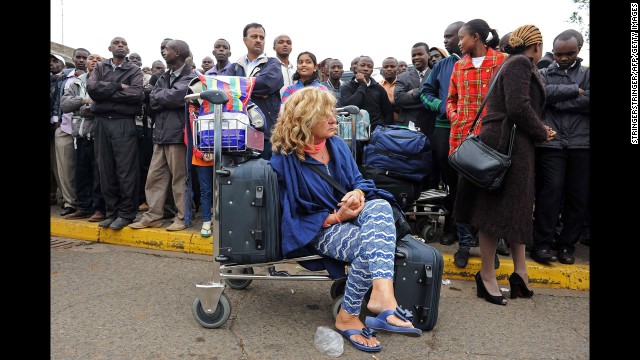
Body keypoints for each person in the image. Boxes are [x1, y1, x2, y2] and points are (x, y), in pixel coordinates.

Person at [269, 87, 421, 353]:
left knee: (380, 205)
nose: (333, 119)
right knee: (367, 247)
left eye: (332, 112)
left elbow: (360, 180)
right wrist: (337, 216)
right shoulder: (285, 158)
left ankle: (381, 294)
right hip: (320, 229)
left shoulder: (336, 145)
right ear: (304, 119)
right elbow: (291, 212)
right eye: (324, 114)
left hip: (353, 220)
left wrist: (357, 193)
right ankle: (352, 313)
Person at [453, 24, 556, 305]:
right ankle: (487, 276)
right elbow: (518, 107)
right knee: (494, 212)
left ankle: (520, 275)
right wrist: (541, 130)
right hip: (504, 144)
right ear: (537, 45)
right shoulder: (520, 63)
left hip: (513, 144)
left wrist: (537, 131)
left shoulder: (515, 63)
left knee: (517, 210)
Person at [446, 19, 507, 269]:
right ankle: (463, 245)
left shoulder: (502, 61)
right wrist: (456, 115)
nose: (459, 42)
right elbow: (450, 98)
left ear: (478, 37)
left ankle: (489, 251)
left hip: (493, 140)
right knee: (463, 195)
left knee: (491, 196)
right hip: (463, 140)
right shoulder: (459, 66)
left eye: (463, 37)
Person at [532, 29, 590, 265]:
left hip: (581, 143)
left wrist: (558, 104)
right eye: (558, 54)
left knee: (577, 196)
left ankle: (567, 245)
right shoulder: (542, 73)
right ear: (552, 52)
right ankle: (542, 243)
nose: (564, 58)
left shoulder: (587, 74)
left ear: (579, 50)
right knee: (550, 193)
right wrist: (573, 92)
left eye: (570, 53)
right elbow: (541, 95)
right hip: (552, 144)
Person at [87, 36, 144, 230]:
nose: (121, 46)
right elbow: (92, 89)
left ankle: (126, 214)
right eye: (117, 43)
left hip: (123, 123)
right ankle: (111, 213)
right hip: (101, 123)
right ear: (109, 48)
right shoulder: (100, 67)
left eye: (124, 44)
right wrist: (118, 87)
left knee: (126, 171)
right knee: (105, 169)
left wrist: (105, 97)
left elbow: (137, 94)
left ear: (128, 49)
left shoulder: (134, 70)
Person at [420, 21, 464, 247]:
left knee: (471, 181)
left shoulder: (483, 64)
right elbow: (425, 93)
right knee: (450, 182)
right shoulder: (442, 66)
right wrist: (442, 106)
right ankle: (451, 227)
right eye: (444, 36)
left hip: (473, 132)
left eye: (450, 36)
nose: (445, 40)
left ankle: (470, 230)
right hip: (444, 130)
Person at [225, 22, 284, 160]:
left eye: (262, 37)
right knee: (242, 175)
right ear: (245, 40)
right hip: (238, 130)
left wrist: (239, 89)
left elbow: (268, 83)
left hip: (265, 132)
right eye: (254, 36)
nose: (258, 40)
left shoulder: (272, 63)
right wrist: (255, 89)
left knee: (266, 174)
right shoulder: (234, 67)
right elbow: (226, 89)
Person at [60, 53, 106, 222]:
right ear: (86, 62)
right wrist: (85, 101)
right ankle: (83, 207)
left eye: (98, 59)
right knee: (81, 173)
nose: (94, 61)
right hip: (79, 135)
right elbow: (64, 105)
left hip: (97, 135)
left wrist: (80, 105)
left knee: (98, 174)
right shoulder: (77, 82)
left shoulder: (104, 82)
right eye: (91, 58)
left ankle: (98, 208)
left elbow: (98, 107)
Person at [378, 57, 399, 122]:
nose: (389, 69)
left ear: (397, 69)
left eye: (392, 66)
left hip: (402, 124)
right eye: (386, 67)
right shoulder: (377, 86)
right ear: (382, 69)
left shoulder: (404, 84)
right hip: (383, 123)